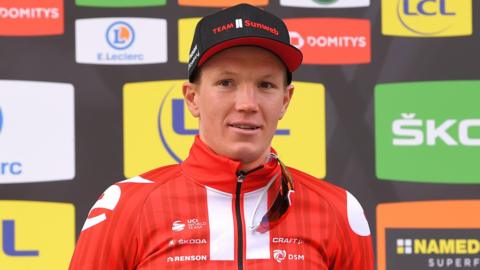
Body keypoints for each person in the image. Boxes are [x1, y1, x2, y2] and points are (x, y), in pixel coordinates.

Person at [69, 3, 374, 269]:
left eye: (266, 85)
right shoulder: (126, 206)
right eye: (226, 82)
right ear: (192, 98)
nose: (247, 104)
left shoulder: (339, 210)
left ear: (285, 100)